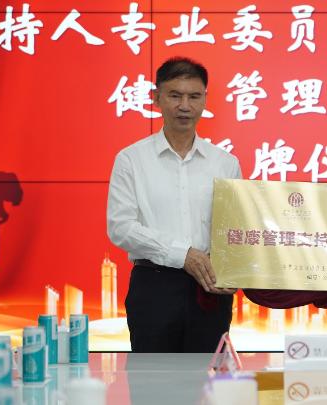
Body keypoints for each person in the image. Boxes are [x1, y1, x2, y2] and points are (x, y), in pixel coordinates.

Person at [107, 57, 239, 353]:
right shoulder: (131, 159)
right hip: (154, 287)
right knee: (153, 377)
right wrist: (183, 255)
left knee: (208, 377)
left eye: (194, 96)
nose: (185, 106)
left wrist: (234, 269)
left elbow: (235, 230)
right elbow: (121, 228)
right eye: (175, 95)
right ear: (157, 98)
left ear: (205, 100)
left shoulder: (225, 163)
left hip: (209, 288)